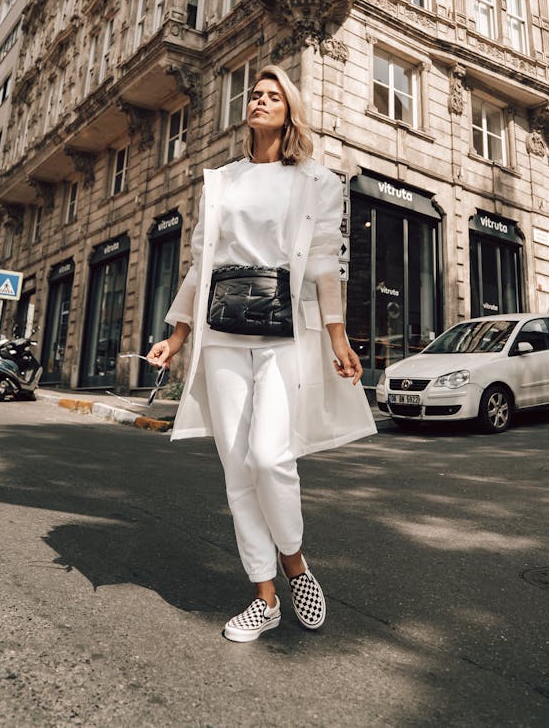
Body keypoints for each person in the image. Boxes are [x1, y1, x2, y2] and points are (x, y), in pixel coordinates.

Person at [146, 64, 376, 642]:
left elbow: (326, 263)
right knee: (237, 468)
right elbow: (202, 262)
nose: (260, 100)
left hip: (285, 332)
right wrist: (176, 335)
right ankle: (264, 595)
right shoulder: (221, 181)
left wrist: (338, 336)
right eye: (255, 94)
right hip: (223, 331)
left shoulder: (318, 182)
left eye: (273, 95)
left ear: (290, 111)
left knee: (272, 456)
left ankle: (294, 563)